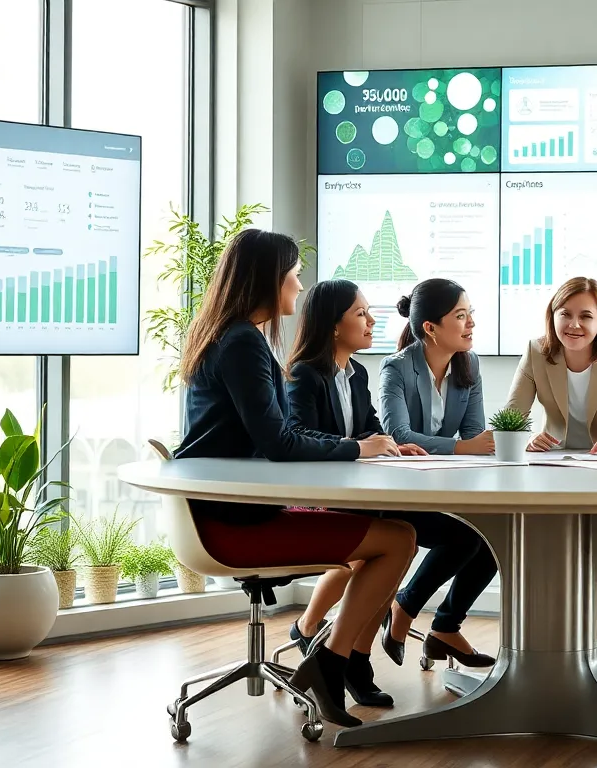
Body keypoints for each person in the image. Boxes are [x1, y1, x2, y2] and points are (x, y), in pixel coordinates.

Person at [173, 229, 417, 729]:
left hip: (222, 512)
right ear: (270, 279)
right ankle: (331, 661)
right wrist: (356, 448)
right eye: (293, 274)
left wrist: (357, 445)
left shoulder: (229, 335)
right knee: (398, 539)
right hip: (233, 524)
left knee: (393, 533)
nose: (299, 285)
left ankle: (332, 656)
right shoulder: (243, 342)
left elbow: (279, 435)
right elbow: (280, 444)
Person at [282, 278, 428, 708]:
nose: (371, 320)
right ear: (333, 325)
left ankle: (341, 650)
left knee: (400, 534)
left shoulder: (356, 372)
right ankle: (345, 655)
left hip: (353, 491)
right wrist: (361, 446)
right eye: (360, 313)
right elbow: (297, 435)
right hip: (315, 498)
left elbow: (368, 427)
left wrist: (391, 443)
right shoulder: (304, 374)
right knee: (390, 543)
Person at [503, 276, 597, 651]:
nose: (574, 324)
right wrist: (526, 438)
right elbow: (511, 417)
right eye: (565, 314)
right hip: (553, 459)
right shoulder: (537, 351)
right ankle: (550, 617)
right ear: (552, 316)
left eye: (586, 316)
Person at [376, 278, 499, 668]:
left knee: (496, 535)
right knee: (467, 538)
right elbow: (399, 434)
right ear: (430, 327)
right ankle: (405, 608)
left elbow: (475, 434)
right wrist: (464, 448)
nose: (471, 323)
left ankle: (445, 627)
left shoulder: (469, 364)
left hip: (445, 487)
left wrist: (479, 446)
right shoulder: (397, 368)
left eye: (470, 314)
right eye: (461, 316)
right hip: (400, 492)